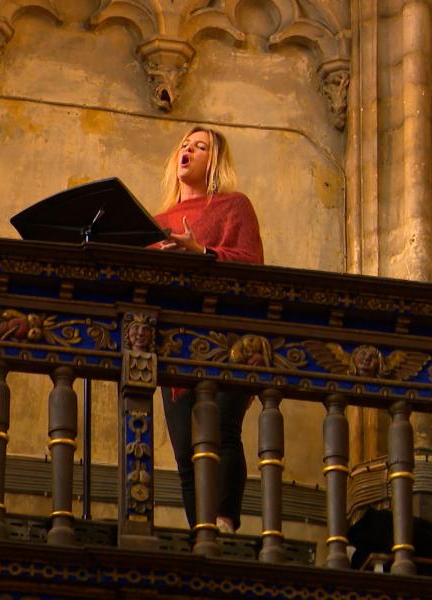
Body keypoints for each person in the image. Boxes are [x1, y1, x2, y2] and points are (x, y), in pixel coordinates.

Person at [153, 126, 264, 534]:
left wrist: (200, 251)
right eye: (185, 145)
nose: (188, 150)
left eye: (200, 147)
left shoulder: (234, 206)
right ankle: (201, 531)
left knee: (221, 433)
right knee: (186, 450)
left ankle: (225, 526)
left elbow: (250, 264)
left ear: (214, 161)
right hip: (173, 343)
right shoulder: (156, 224)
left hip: (226, 339)